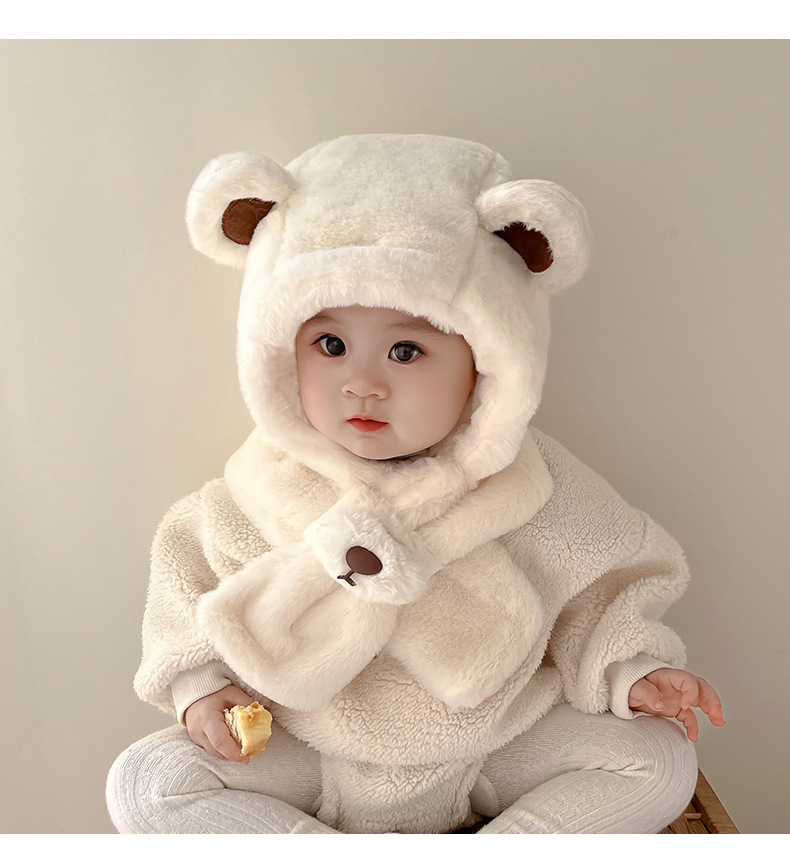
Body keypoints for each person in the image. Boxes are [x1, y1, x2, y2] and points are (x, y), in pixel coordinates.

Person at [107, 134, 724, 834]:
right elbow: (184, 603)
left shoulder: (534, 487)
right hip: (309, 751)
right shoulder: (251, 492)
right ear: (278, 355)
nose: (362, 383)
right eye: (331, 345)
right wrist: (200, 689)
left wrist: (629, 671)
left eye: (406, 350)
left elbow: (605, 593)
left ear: (489, 364)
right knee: (147, 782)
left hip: (498, 745)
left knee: (658, 760)